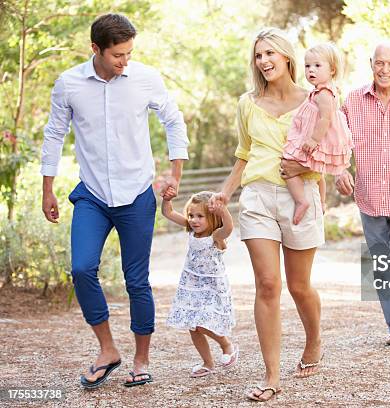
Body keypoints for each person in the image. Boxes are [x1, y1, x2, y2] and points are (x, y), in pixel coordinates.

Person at [40, 14, 189, 388]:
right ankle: (108, 350)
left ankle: (141, 360)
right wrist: (47, 188)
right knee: (81, 269)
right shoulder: (69, 84)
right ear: (96, 49)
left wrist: (175, 173)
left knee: (136, 281)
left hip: (137, 193)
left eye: (129, 53)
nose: (125, 61)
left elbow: (173, 120)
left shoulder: (145, 78)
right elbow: (54, 135)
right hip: (91, 194)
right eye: (118, 55)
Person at [285, 41, 390, 346]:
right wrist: (340, 171)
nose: (385, 70)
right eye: (380, 63)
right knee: (382, 262)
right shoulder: (352, 101)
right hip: (370, 196)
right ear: (371, 63)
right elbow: (335, 138)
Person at [208, 28, 324, 402]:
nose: (264, 61)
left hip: (300, 194)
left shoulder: (313, 100)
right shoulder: (248, 103)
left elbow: (328, 146)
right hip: (257, 196)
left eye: (270, 53)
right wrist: (225, 192)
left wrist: (327, 182)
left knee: (299, 286)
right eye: (259, 56)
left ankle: (314, 339)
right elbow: (244, 153)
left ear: (287, 56)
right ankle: (272, 375)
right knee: (268, 284)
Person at [162, 190, 238, 376]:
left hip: (211, 288)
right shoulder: (191, 229)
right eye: (191, 215)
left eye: (200, 216)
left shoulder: (216, 237)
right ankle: (207, 363)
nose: (194, 220)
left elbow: (229, 227)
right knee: (193, 327)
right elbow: (168, 213)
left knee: (203, 323)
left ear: (212, 218)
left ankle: (226, 344)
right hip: (191, 285)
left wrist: (222, 210)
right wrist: (166, 200)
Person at [282, 42, 353, 225]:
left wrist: (313, 140)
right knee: (317, 171)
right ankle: (321, 202)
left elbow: (325, 119)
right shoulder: (319, 91)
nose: (311, 70)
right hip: (318, 136)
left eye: (317, 66)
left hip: (320, 137)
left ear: (332, 70)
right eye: (307, 66)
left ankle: (302, 201)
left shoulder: (324, 93)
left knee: (287, 165)